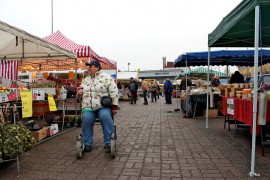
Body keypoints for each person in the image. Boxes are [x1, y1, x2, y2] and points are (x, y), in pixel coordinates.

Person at [77, 61, 118, 152]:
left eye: (91, 66)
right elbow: (81, 87)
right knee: (86, 120)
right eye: (89, 66)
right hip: (88, 106)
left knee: (105, 117)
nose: (89, 68)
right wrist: (80, 90)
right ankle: (87, 143)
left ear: (97, 68)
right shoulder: (86, 79)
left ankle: (109, 142)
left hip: (102, 105)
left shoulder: (107, 78)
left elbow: (114, 92)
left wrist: (114, 106)